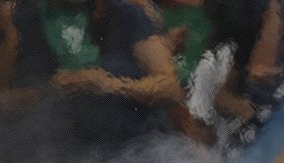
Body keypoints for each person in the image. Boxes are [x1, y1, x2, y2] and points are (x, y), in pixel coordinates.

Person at [52, 0, 188, 146]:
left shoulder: (130, 15)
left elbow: (169, 86)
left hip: (140, 145)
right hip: (85, 145)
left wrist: (111, 85)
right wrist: (57, 86)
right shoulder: (57, 18)